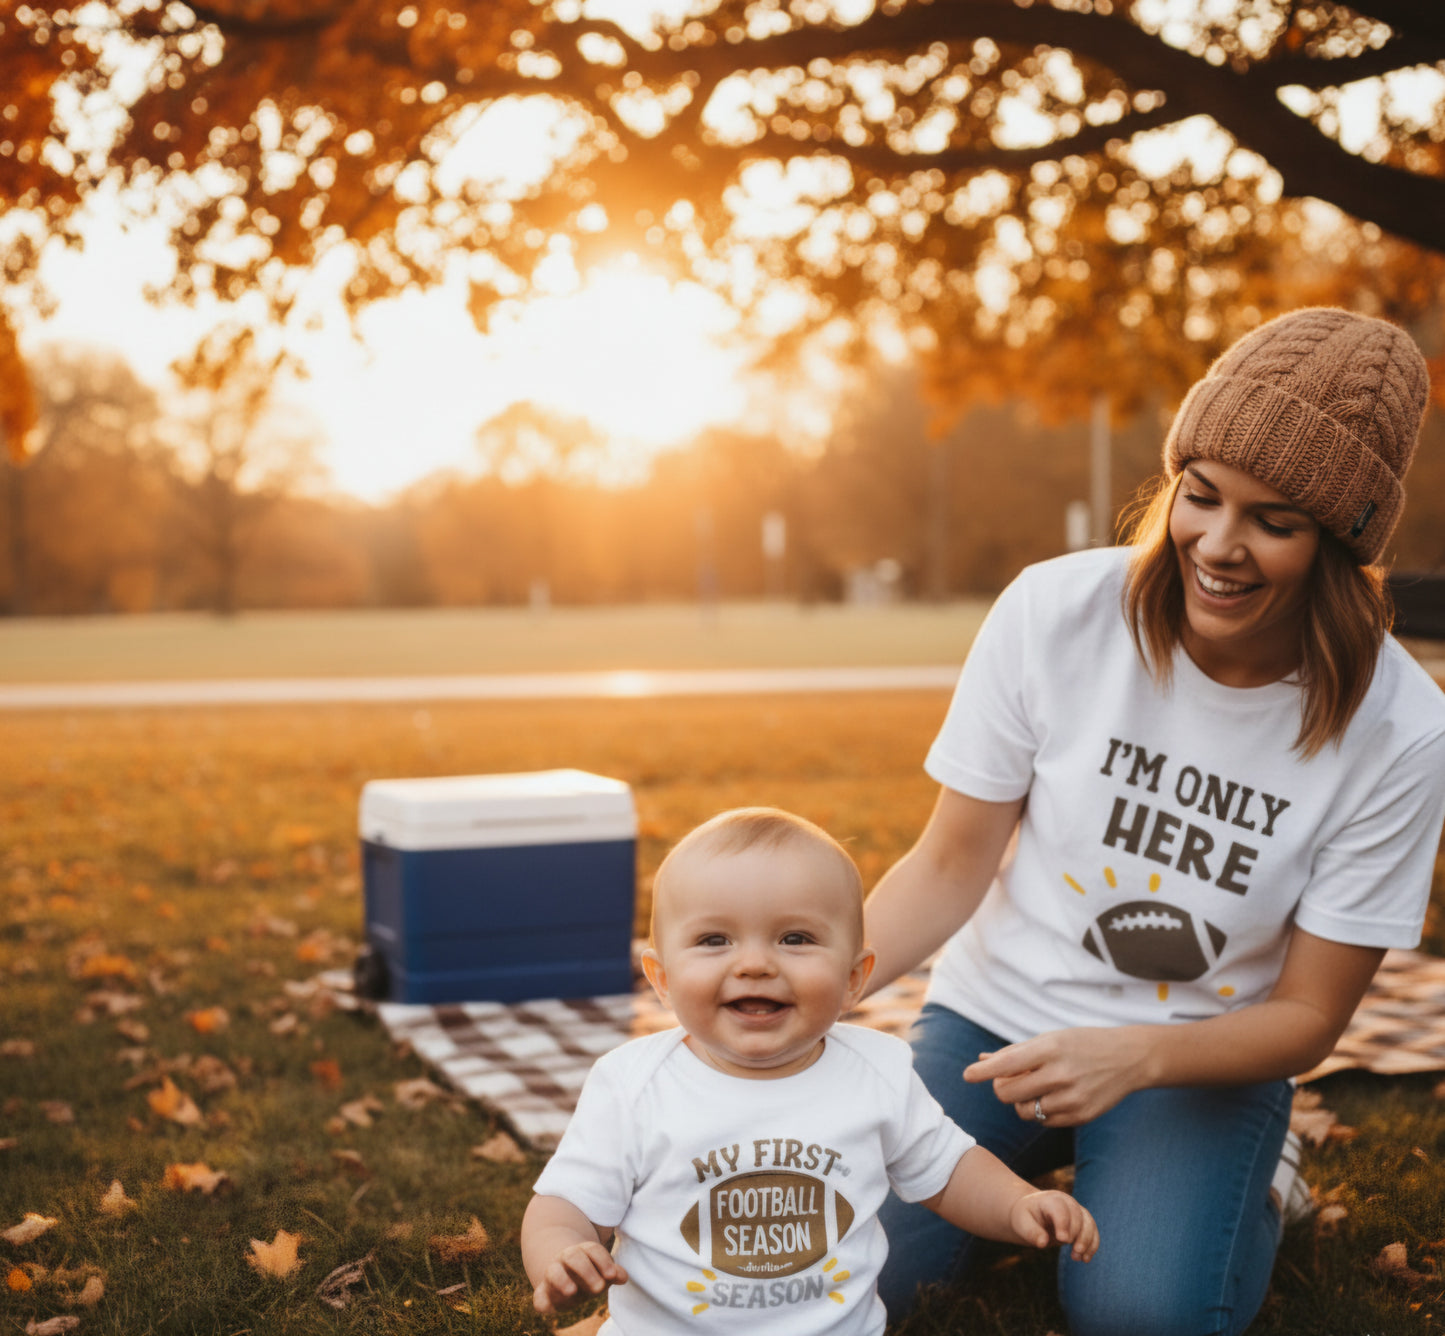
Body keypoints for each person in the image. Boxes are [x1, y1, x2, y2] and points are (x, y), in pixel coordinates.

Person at [867, 306, 1445, 1336]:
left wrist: (1131, 1056)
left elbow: (1309, 1016)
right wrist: (811, 988)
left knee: (1139, 1311)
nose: (1217, 546)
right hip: (988, 1023)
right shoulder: (1053, 613)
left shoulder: (1400, 729)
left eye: (1273, 520)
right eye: (1200, 495)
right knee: (848, 1270)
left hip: (1196, 1054)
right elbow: (949, 864)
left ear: (1341, 538)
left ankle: (1253, 1175)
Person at [521, 807, 1099, 1334]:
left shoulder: (877, 1071)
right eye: (713, 939)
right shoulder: (634, 1085)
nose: (753, 964)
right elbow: (563, 1204)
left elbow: (948, 1170)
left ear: (854, 978)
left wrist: (1018, 1203)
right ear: (662, 978)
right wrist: (562, 1252)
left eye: (795, 938)